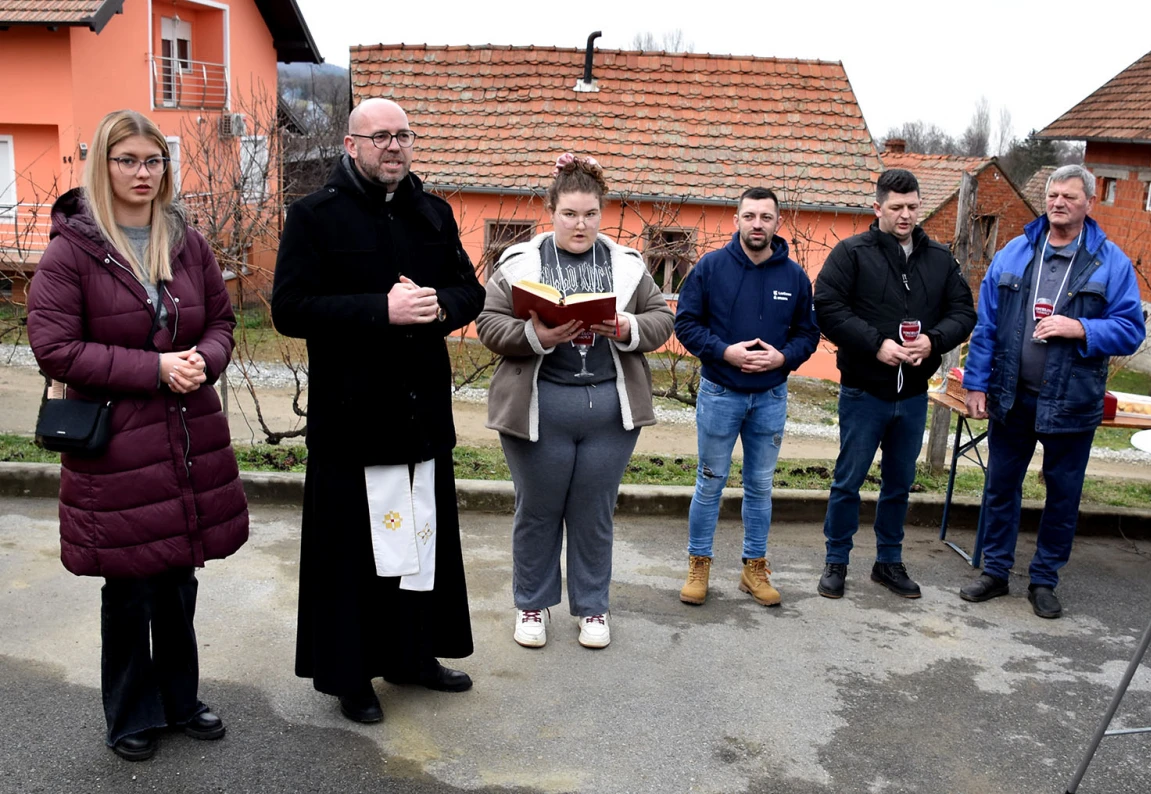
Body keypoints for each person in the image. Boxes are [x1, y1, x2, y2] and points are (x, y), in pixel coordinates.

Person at [26, 109, 248, 761]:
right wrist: (153, 369)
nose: (143, 173)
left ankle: (181, 701)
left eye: (153, 161)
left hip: (187, 441)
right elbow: (55, 348)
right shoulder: (73, 249)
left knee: (179, 584)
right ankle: (130, 714)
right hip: (118, 447)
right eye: (128, 160)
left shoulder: (189, 241)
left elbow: (223, 322)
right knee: (129, 590)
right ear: (103, 165)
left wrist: (204, 359)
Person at [272, 98, 485, 723]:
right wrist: (378, 310)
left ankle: (413, 656)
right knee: (354, 555)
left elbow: (469, 290)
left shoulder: (433, 213)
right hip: (353, 419)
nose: (394, 147)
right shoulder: (314, 217)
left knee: (421, 545)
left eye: (404, 136)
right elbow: (290, 309)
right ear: (351, 145)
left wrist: (439, 306)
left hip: (420, 415)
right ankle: (352, 674)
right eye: (381, 137)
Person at [476, 153, 674, 650]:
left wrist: (630, 326)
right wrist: (535, 333)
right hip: (539, 409)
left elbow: (663, 320)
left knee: (594, 512)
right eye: (569, 214)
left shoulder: (627, 265)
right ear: (551, 211)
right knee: (538, 510)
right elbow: (488, 325)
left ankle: (592, 609)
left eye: (589, 214)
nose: (580, 224)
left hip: (610, 412)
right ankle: (532, 605)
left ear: (601, 212)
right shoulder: (520, 263)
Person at [959, 164, 1145, 619]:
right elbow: (987, 327)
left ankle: (1044, 581)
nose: (1059, 203)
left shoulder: (1110, 263)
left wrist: (1079, 327)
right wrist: (977, 384)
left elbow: (1130, 330)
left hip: (1072, 400)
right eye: (1053, 195)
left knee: (1062, 495)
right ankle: (996, 573)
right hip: (1012, 395)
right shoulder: (1015, 253)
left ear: (1089, 204)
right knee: (1001, 488)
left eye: (1070, 197)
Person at [814, 169, 977, 599]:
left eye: (912, 207)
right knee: (848, 480)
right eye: (896, 207)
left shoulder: (940, 259)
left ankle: (888, 562)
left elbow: (964, 311)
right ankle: (836, 561)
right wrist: (875, 345)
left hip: (912, 395)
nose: (905, 216)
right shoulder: (851, 254)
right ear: (878, 208)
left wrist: (934, 340)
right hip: (864, 390)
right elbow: (827, 307)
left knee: (899, 483)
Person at [674, 187, 820, 607]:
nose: (758, 224)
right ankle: (699, 564)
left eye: (766, 217)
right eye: (750, 216)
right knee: (710, 482)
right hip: (721, 392)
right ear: (736, 220)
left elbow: (808, 334)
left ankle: (753, 567)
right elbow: (685, 323)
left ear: (778, 223)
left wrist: (783, 357)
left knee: (760, 486)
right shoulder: (710, 268)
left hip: (770, 396)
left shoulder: (793, 277)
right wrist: (724, 351)